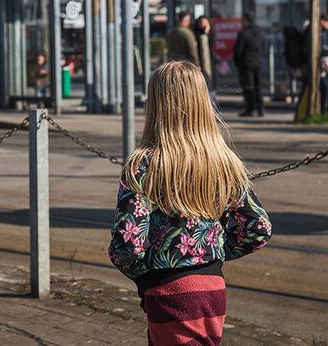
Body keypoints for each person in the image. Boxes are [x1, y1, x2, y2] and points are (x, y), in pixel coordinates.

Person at [109, 61, 272, 346]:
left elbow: (127, 245)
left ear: (156, 105)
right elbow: (258, 228)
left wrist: (147, 274)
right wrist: (212, 252)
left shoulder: (144, 164)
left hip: (167, 290)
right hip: (213, 289)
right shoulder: (224, 162)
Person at [299, 15, 328, 114]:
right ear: (322, 21)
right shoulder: (313, 32)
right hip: (311, 66)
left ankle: (308, 111)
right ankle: (316, 111)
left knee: (311, 88)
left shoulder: (311, 30)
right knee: (320, 88)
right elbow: (315, 51)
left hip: (310, 65)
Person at [233, 12, 265, 117]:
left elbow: (238, 51)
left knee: (248, 87)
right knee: (258, 86)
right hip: (258, 62)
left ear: (246, 20)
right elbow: (263, 46)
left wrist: (237, 63)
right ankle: (260, 108)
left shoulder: (243, 33)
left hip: (246, 64)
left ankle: (251, 109)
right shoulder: (260, 32)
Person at [193, 15, 217, 105]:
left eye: (205, 22)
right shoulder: (195, 34)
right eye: (201, 22)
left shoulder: (211, 33)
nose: (203, 24)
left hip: (210, 63)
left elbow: (211, 45)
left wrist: (207, 33)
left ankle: (212, 103)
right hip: (200, 63)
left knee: (211, 82)